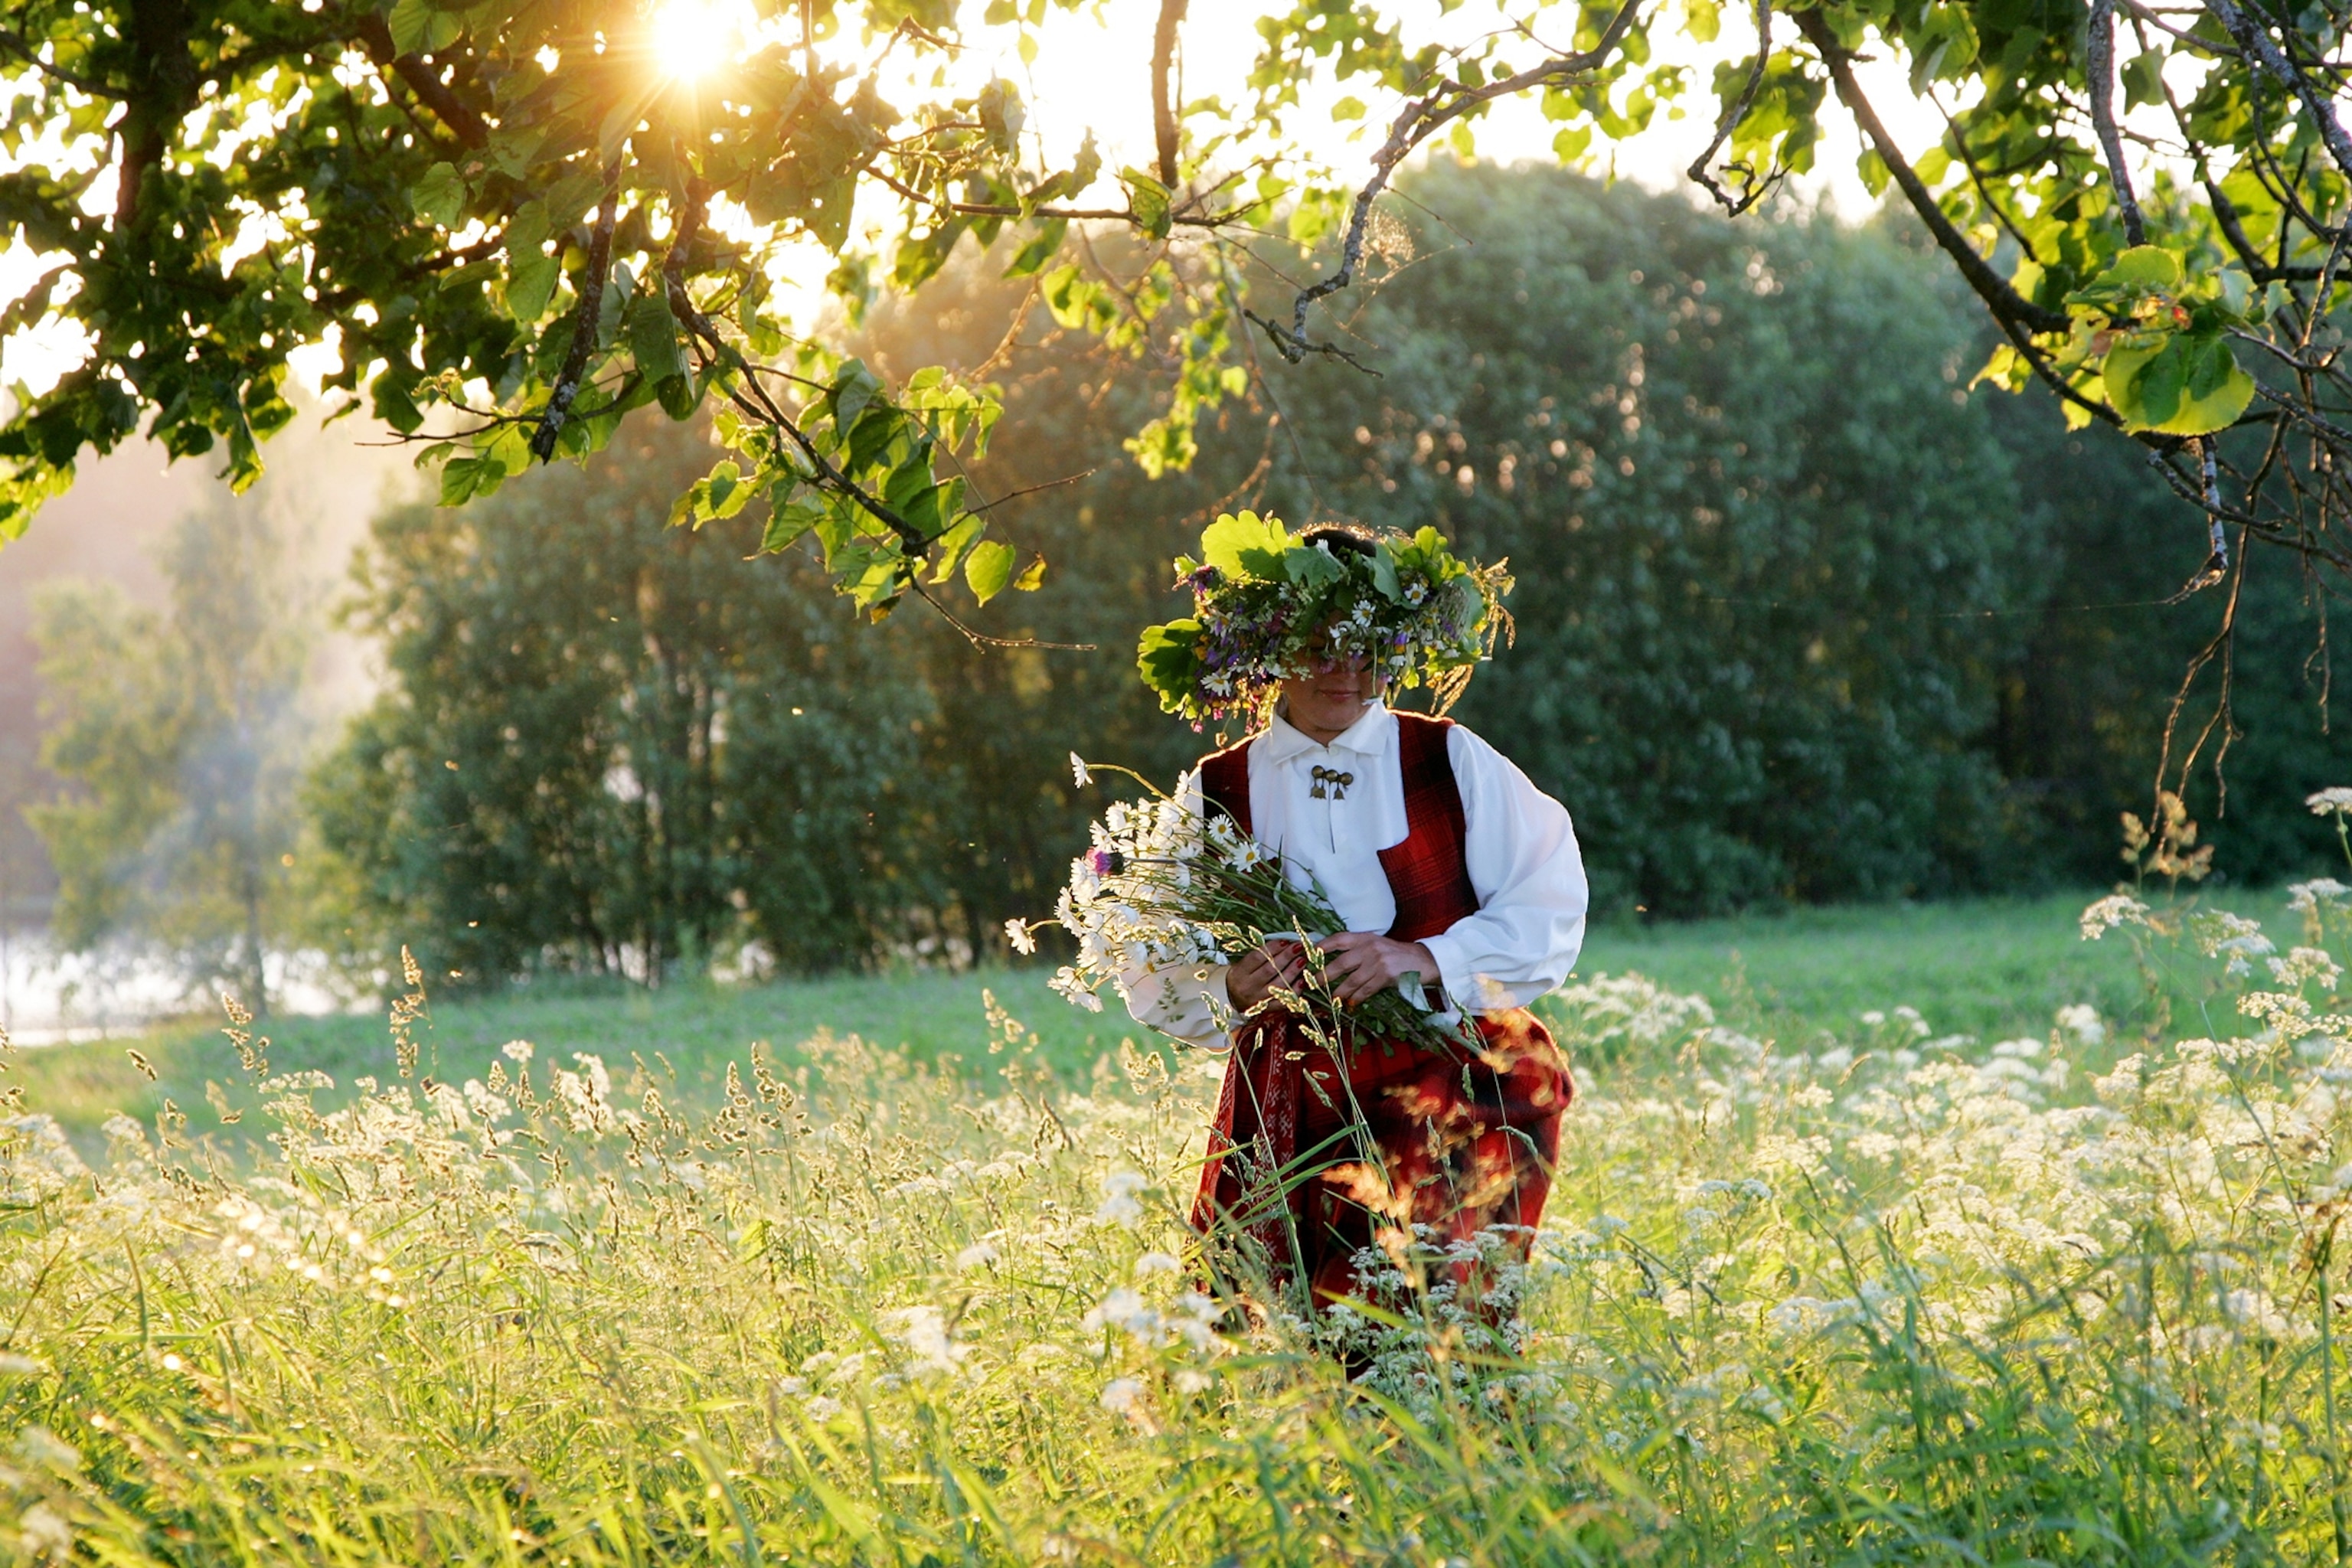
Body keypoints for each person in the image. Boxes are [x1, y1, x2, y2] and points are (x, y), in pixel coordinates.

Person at [1125, 514, 1586, 1333]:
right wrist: (1227, 984)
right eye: (1318, 644)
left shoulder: (1451, 760)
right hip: (1289, 1102)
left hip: (1444, 1083)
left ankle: (1458, 1462)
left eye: (1367, 646)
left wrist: (1421, 955)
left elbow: (1549, 903)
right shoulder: (1217, 787)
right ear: (1269, 650)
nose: (1344, 669)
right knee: (1284, 1335)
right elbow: (1149, 957)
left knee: (1432, 1329)